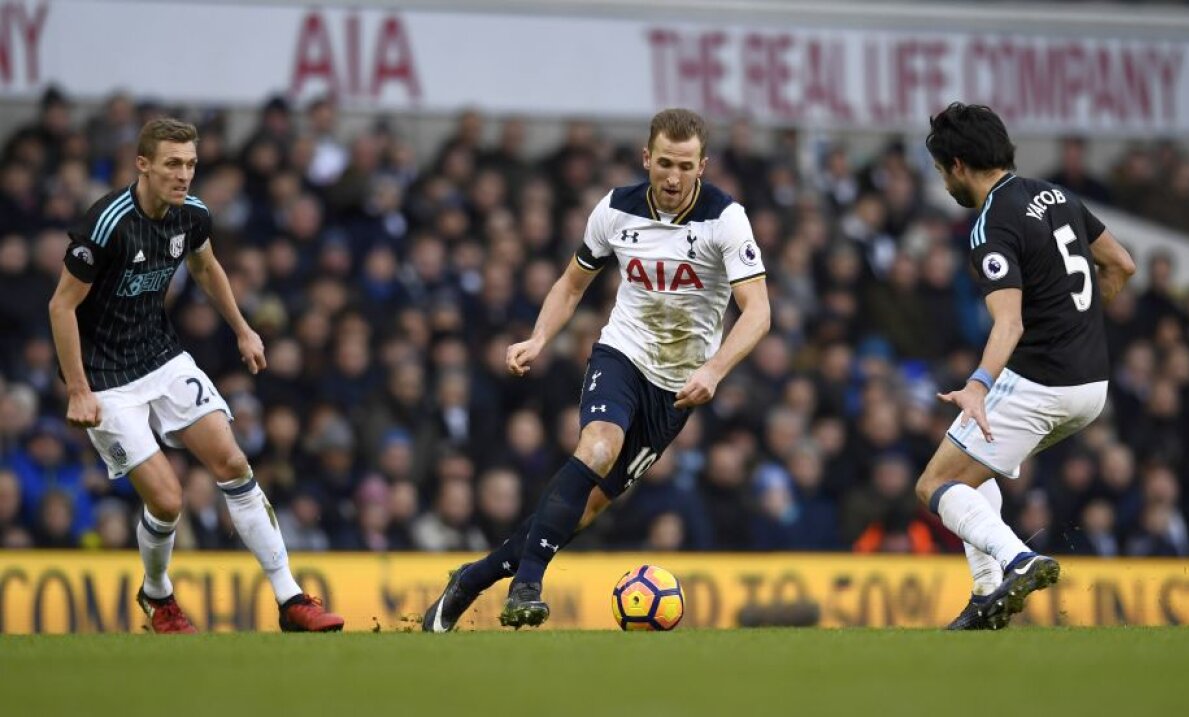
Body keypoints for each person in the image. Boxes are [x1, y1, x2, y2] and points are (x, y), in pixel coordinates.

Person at [423, 108, 770, 631]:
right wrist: (540, 337)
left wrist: (715, 371)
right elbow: (570, 285)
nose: (674, 178)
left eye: (686, 166)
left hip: (678, 387)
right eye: (665, 164)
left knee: (582, 511)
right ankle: (527, 585)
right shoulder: (614, 210)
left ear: (703, 165)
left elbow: (758, 311)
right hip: (622, 353)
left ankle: (471, 580)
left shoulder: (726, 218)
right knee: (598, 447)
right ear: (646, 158)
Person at [48, 118, 343, 633]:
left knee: (232, 460)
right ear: (143, 164)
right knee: (167, 500)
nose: (183, 175)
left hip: (161, 357)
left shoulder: (193, 216)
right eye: (172, 164)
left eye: (190, 164)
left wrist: (244, 330)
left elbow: (206, 268)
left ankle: (290, 598)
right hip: (105, 378)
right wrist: (77, 389)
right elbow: (60, 306)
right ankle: (158, 594)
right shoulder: (107, 223)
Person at [914, 103, 1136, 630]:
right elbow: (1122, 265)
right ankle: (988, 597)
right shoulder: (1057, 194)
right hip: (1091, 385)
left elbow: (1007, 325)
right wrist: (1074, 323)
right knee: (972, 468)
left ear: (959, 165)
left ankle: (1018, 560)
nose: (945, 182)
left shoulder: (992, 223)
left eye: (942, 171)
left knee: (934, 485)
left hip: (1043, 381)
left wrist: (977, 385)